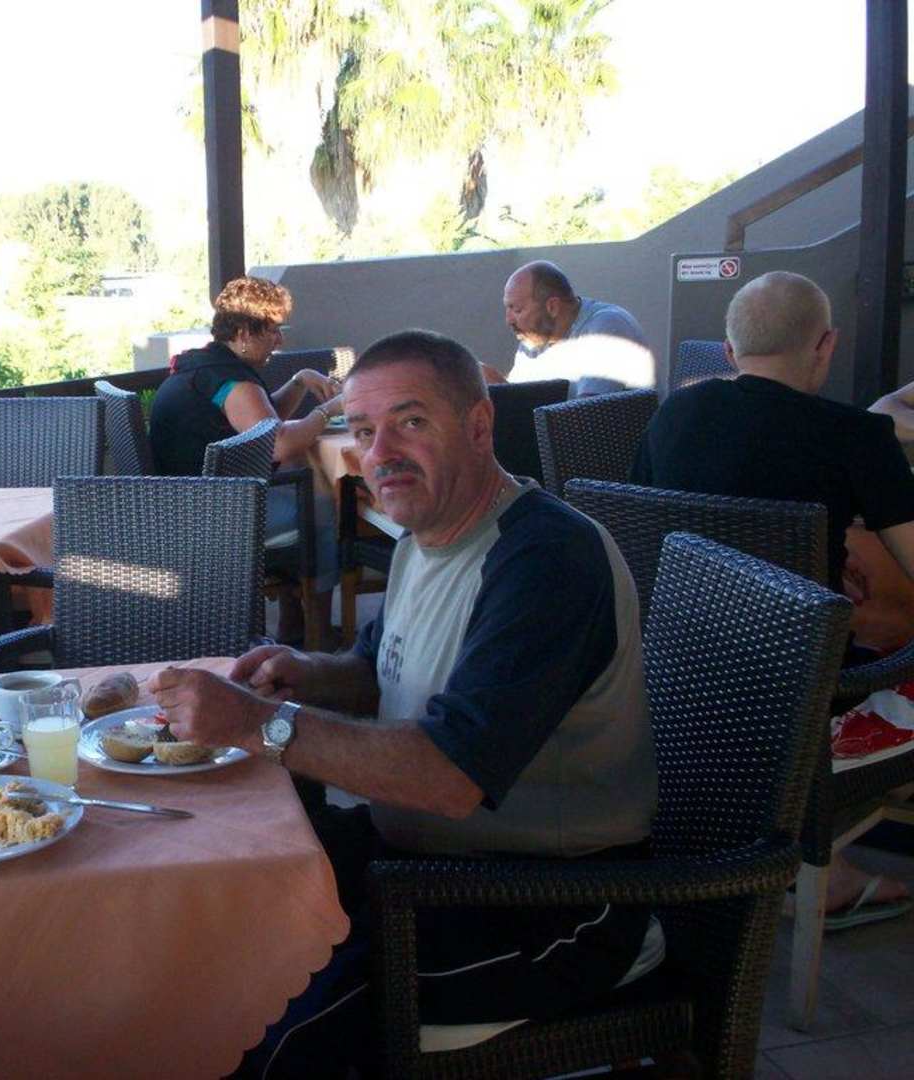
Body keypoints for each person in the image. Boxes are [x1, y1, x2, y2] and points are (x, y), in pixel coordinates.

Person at [152, 329, 658, 1077]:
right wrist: (302, 673)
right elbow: (374, 667)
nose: (380, 452)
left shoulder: (546, 559)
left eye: (411, 422)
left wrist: (260, 724)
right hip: (420, 864)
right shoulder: (428, 529)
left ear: (479, 425)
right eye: (362, 431)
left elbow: (450, 775)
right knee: (214, 909)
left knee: (275, 1028)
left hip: (554, 902)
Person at [631, 269, 914, 928]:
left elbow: (660, 533)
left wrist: (826, 554)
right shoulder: (856, 435)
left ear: (730, 352)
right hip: (805, 698)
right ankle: (820, 858)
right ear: (826, 345)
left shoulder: (673, 415)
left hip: (675, 683)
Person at [148, 276, 343, 644]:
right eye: (272, 331)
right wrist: (330, 410)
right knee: (321, 508)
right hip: (217, 518)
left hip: (181, 507)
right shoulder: (231, 380)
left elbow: (263, 423)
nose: (279, 341)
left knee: (301, 488)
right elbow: (277, 444)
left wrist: (300, 381)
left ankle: (293, 625)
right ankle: (318, 635)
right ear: (242, 332)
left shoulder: (204, 367)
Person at [490, 260, 654, 392]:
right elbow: (521, 400)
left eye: (517, 310)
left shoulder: (606, 328)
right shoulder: (535, 337)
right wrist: (499, 388)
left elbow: (588, 414)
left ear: (552, 307)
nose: (509, 320)